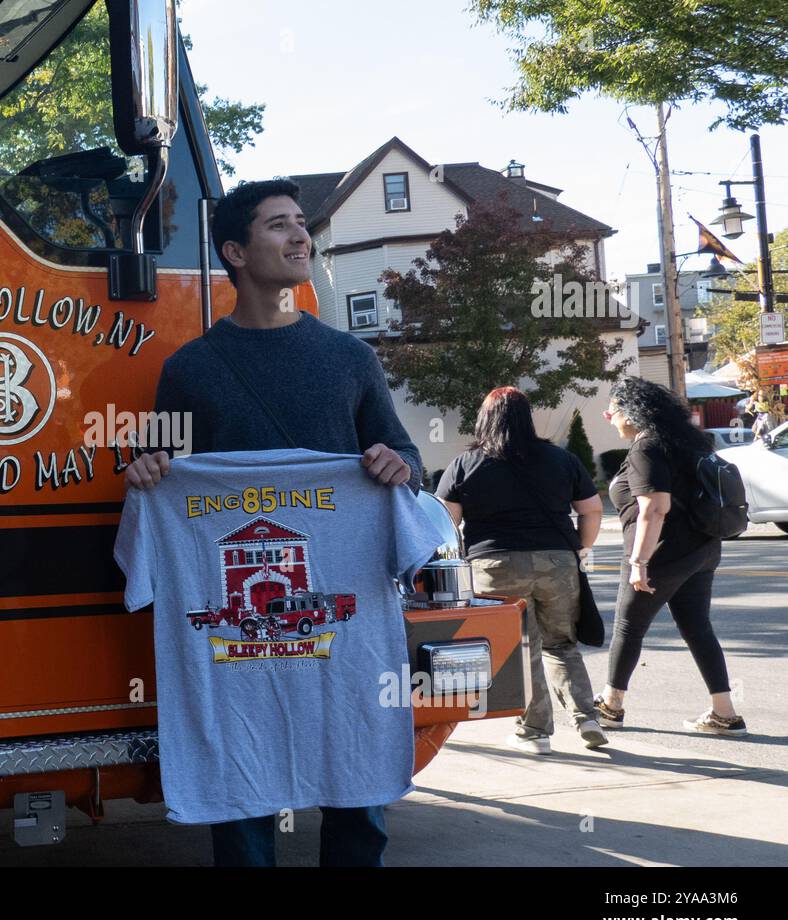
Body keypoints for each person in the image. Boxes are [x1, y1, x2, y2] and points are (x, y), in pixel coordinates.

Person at [123, 178, 422, 867]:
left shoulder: (352, 359)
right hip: (235, 637)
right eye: (278, 226)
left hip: (346, 629)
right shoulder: (191, 369)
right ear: (233, 250)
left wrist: (396, 463)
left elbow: (406, 455)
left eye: (301, 225)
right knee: (241, 786)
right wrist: (144, 472)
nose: (299, 238)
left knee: (356, 787)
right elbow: (163, 470)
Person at [436, 387, 607, 754]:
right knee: (561, 643)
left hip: (494, 565)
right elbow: (592, 509)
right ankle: (587, 717)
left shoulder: (465, 465)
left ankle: (535, 731)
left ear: (485, 418)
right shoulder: (561, 459)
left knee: (521, 647)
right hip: (557, 562)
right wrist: (581, 549)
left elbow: (445, 525)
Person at [595, 377, 747, 735]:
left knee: (629, 628)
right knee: (697, 628)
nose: (609, 417)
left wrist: (639, 562)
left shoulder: (647, 447)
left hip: (662, 553)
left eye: (612, 410)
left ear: (632, 413)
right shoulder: (688, 441)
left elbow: (654, 508)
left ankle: (611, 706)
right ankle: (724, 713)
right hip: (703, 549)